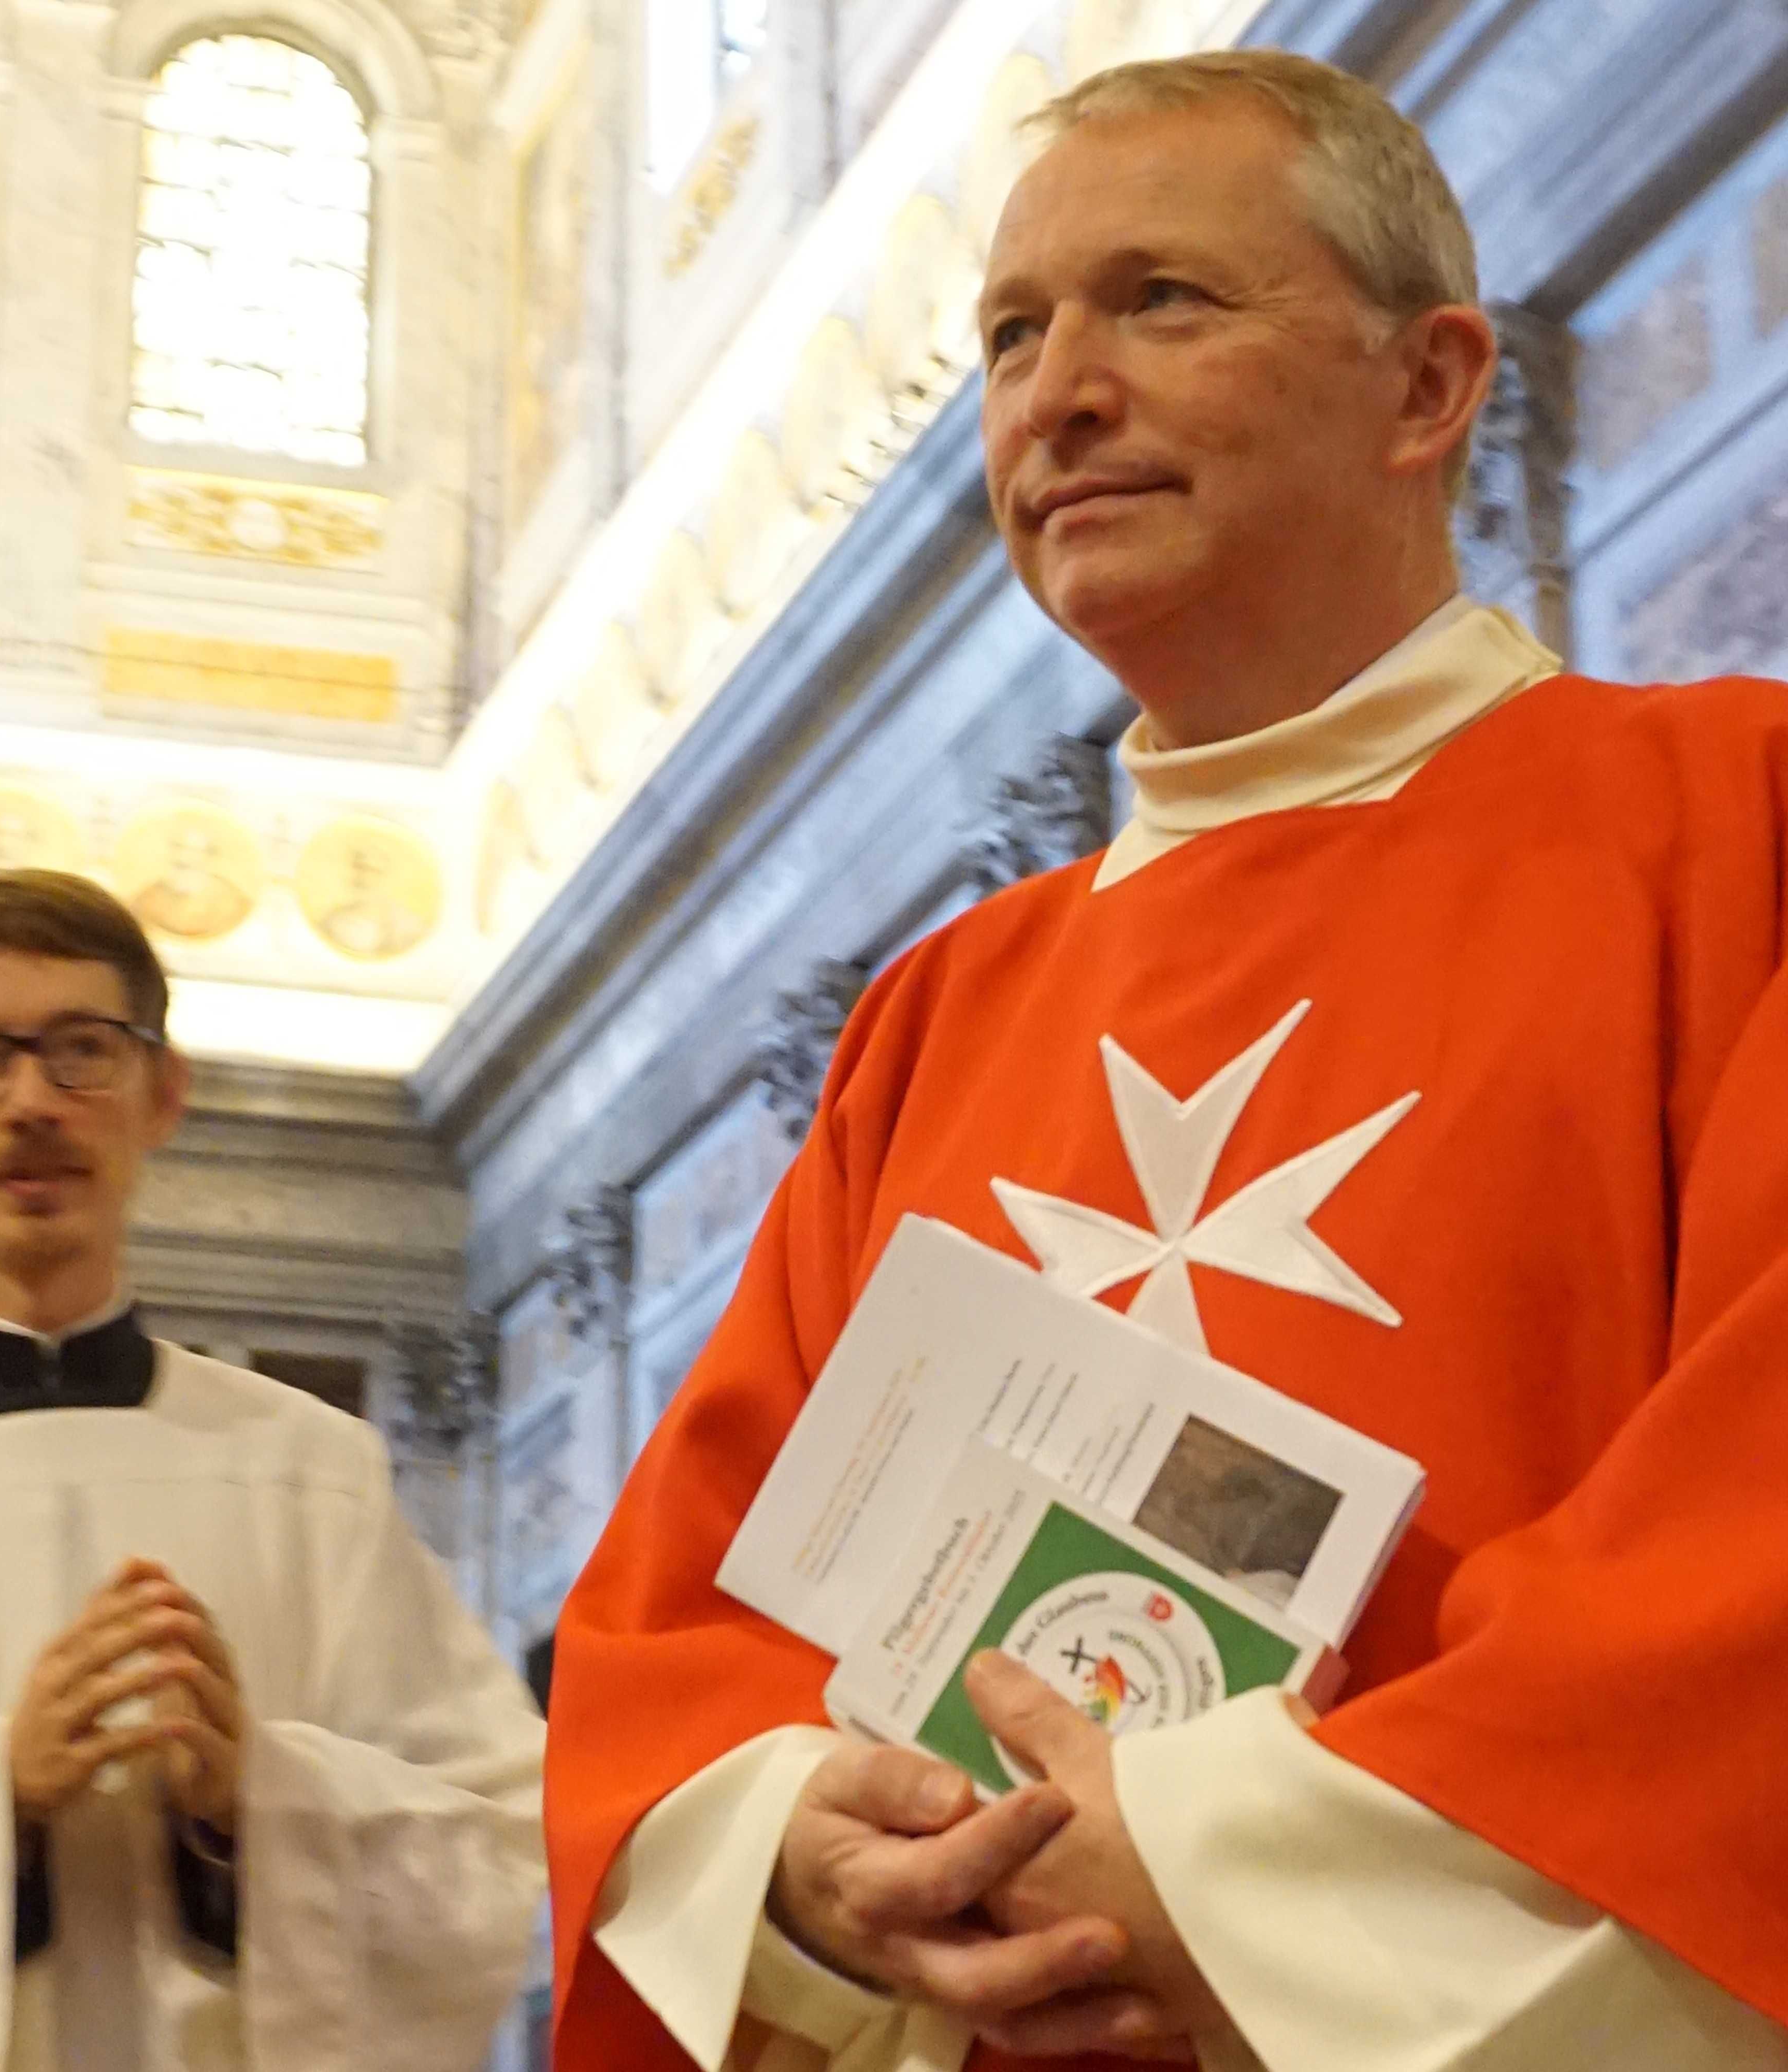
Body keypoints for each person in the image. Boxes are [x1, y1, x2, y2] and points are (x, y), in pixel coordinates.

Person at [546, 49, 1788, 2072]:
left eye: (1162, 300)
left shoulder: (1740, 829)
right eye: (1012, 334)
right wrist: (798, 1845)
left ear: (1429, 386)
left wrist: (1214, 1870)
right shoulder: (934, 1012)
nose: (1055, 393)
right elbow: (677, 1634)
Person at [0, 869, 545, 2069]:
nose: (29, 1101)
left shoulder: (311, 1468)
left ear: (164, 1092)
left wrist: (249, 1802)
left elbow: (492, 1843)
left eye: (81, 1051)